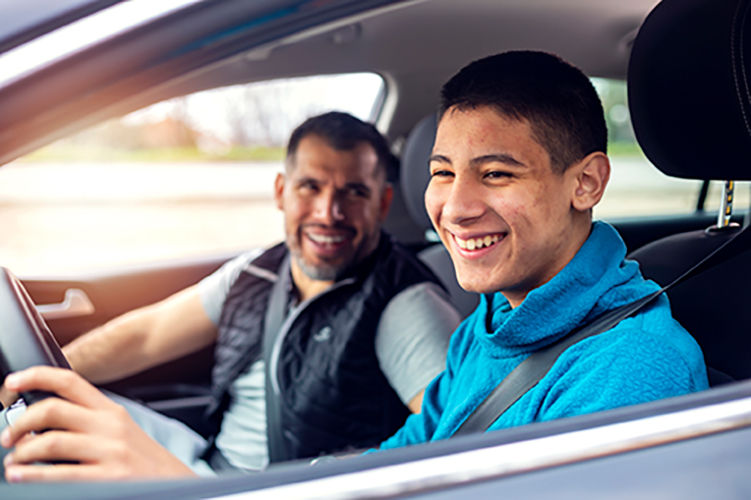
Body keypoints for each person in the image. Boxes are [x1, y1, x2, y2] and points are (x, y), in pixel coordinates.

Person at [0, 111, 461, 481]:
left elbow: (455, 436)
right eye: (311, 186)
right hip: (204, 461)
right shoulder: (259, 270)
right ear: (282, 192)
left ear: (381, 203)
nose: (328, 212)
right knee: (36, 427)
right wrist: (33, 381)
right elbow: (145, 336)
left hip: (259, 490)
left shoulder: (404, 303)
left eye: (353, 192)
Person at [375, 51, 709, 451]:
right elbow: (408, 454)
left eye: (496, 174)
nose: (457, 209)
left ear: (585, 183)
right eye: (443, 173)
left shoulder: (631, 367)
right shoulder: (488, 323)